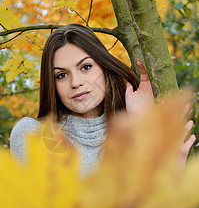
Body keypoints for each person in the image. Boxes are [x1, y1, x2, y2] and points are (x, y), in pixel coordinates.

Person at [10, 23, 195, 176]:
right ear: (52, 84)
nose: (76, 83)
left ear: (103, 67)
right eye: (61, 75)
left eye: (86, 67)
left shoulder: (130, 132)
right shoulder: (33, 135)